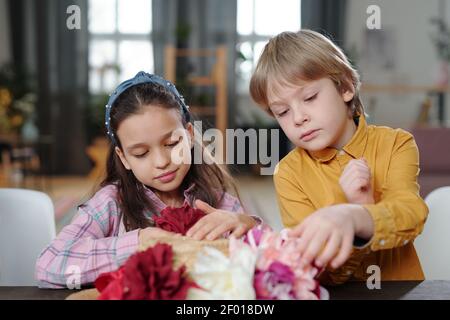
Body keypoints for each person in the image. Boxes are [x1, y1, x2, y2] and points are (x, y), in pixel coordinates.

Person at [36, 71, 259, 288]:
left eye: (172, 143)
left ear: (189, 135)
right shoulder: (111, 203)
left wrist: (249, 226)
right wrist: (139, 243)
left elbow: (276, 266)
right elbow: (49, 265)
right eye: (141, 154)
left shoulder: (220, 203)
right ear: (123, 158)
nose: (161, 161)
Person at [249, 30, 428, 284]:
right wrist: (357, 221)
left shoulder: (396, 144)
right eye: (283, 111)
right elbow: (318, 271)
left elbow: (412, 213)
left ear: (345, 86)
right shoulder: (288, 173)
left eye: (310, 98)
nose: (299, 118)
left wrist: (356, 217)